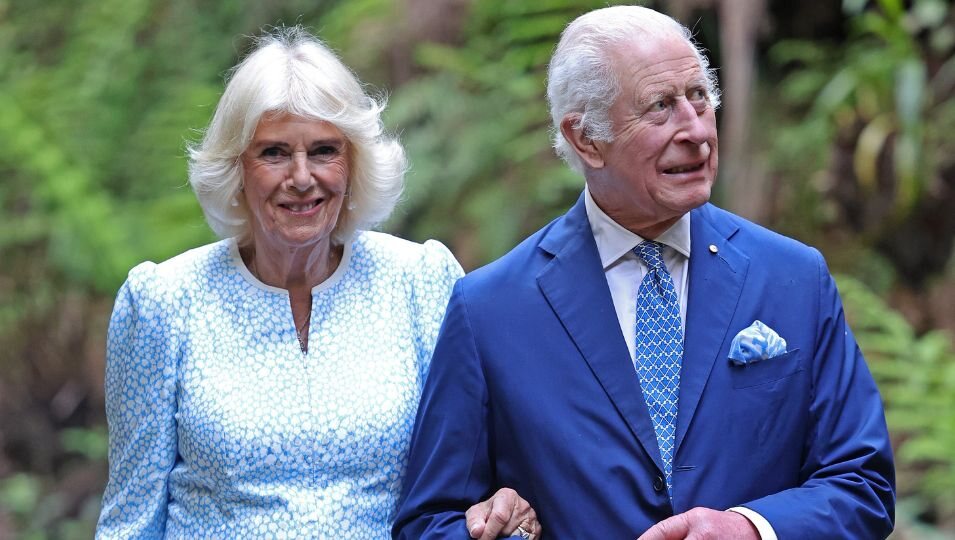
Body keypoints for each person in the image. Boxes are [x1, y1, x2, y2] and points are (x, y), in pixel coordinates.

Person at [393, 6, 895, 539]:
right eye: (661, 107)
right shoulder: (491, 309)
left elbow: (862, 483)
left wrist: (753, 530)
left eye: (699, 97)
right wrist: (499, 530)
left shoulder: (794, 277)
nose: (697, 131)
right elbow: (429, 522)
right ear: (586, 138)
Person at [95, 27, 539, 539]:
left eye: (324, 150)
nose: (302, 177)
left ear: (354, 164)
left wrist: (507, 504)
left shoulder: (420, 282)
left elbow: (483, 468)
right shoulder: (163, 303)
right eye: (274, 153)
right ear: (236, 167)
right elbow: (132, 519)